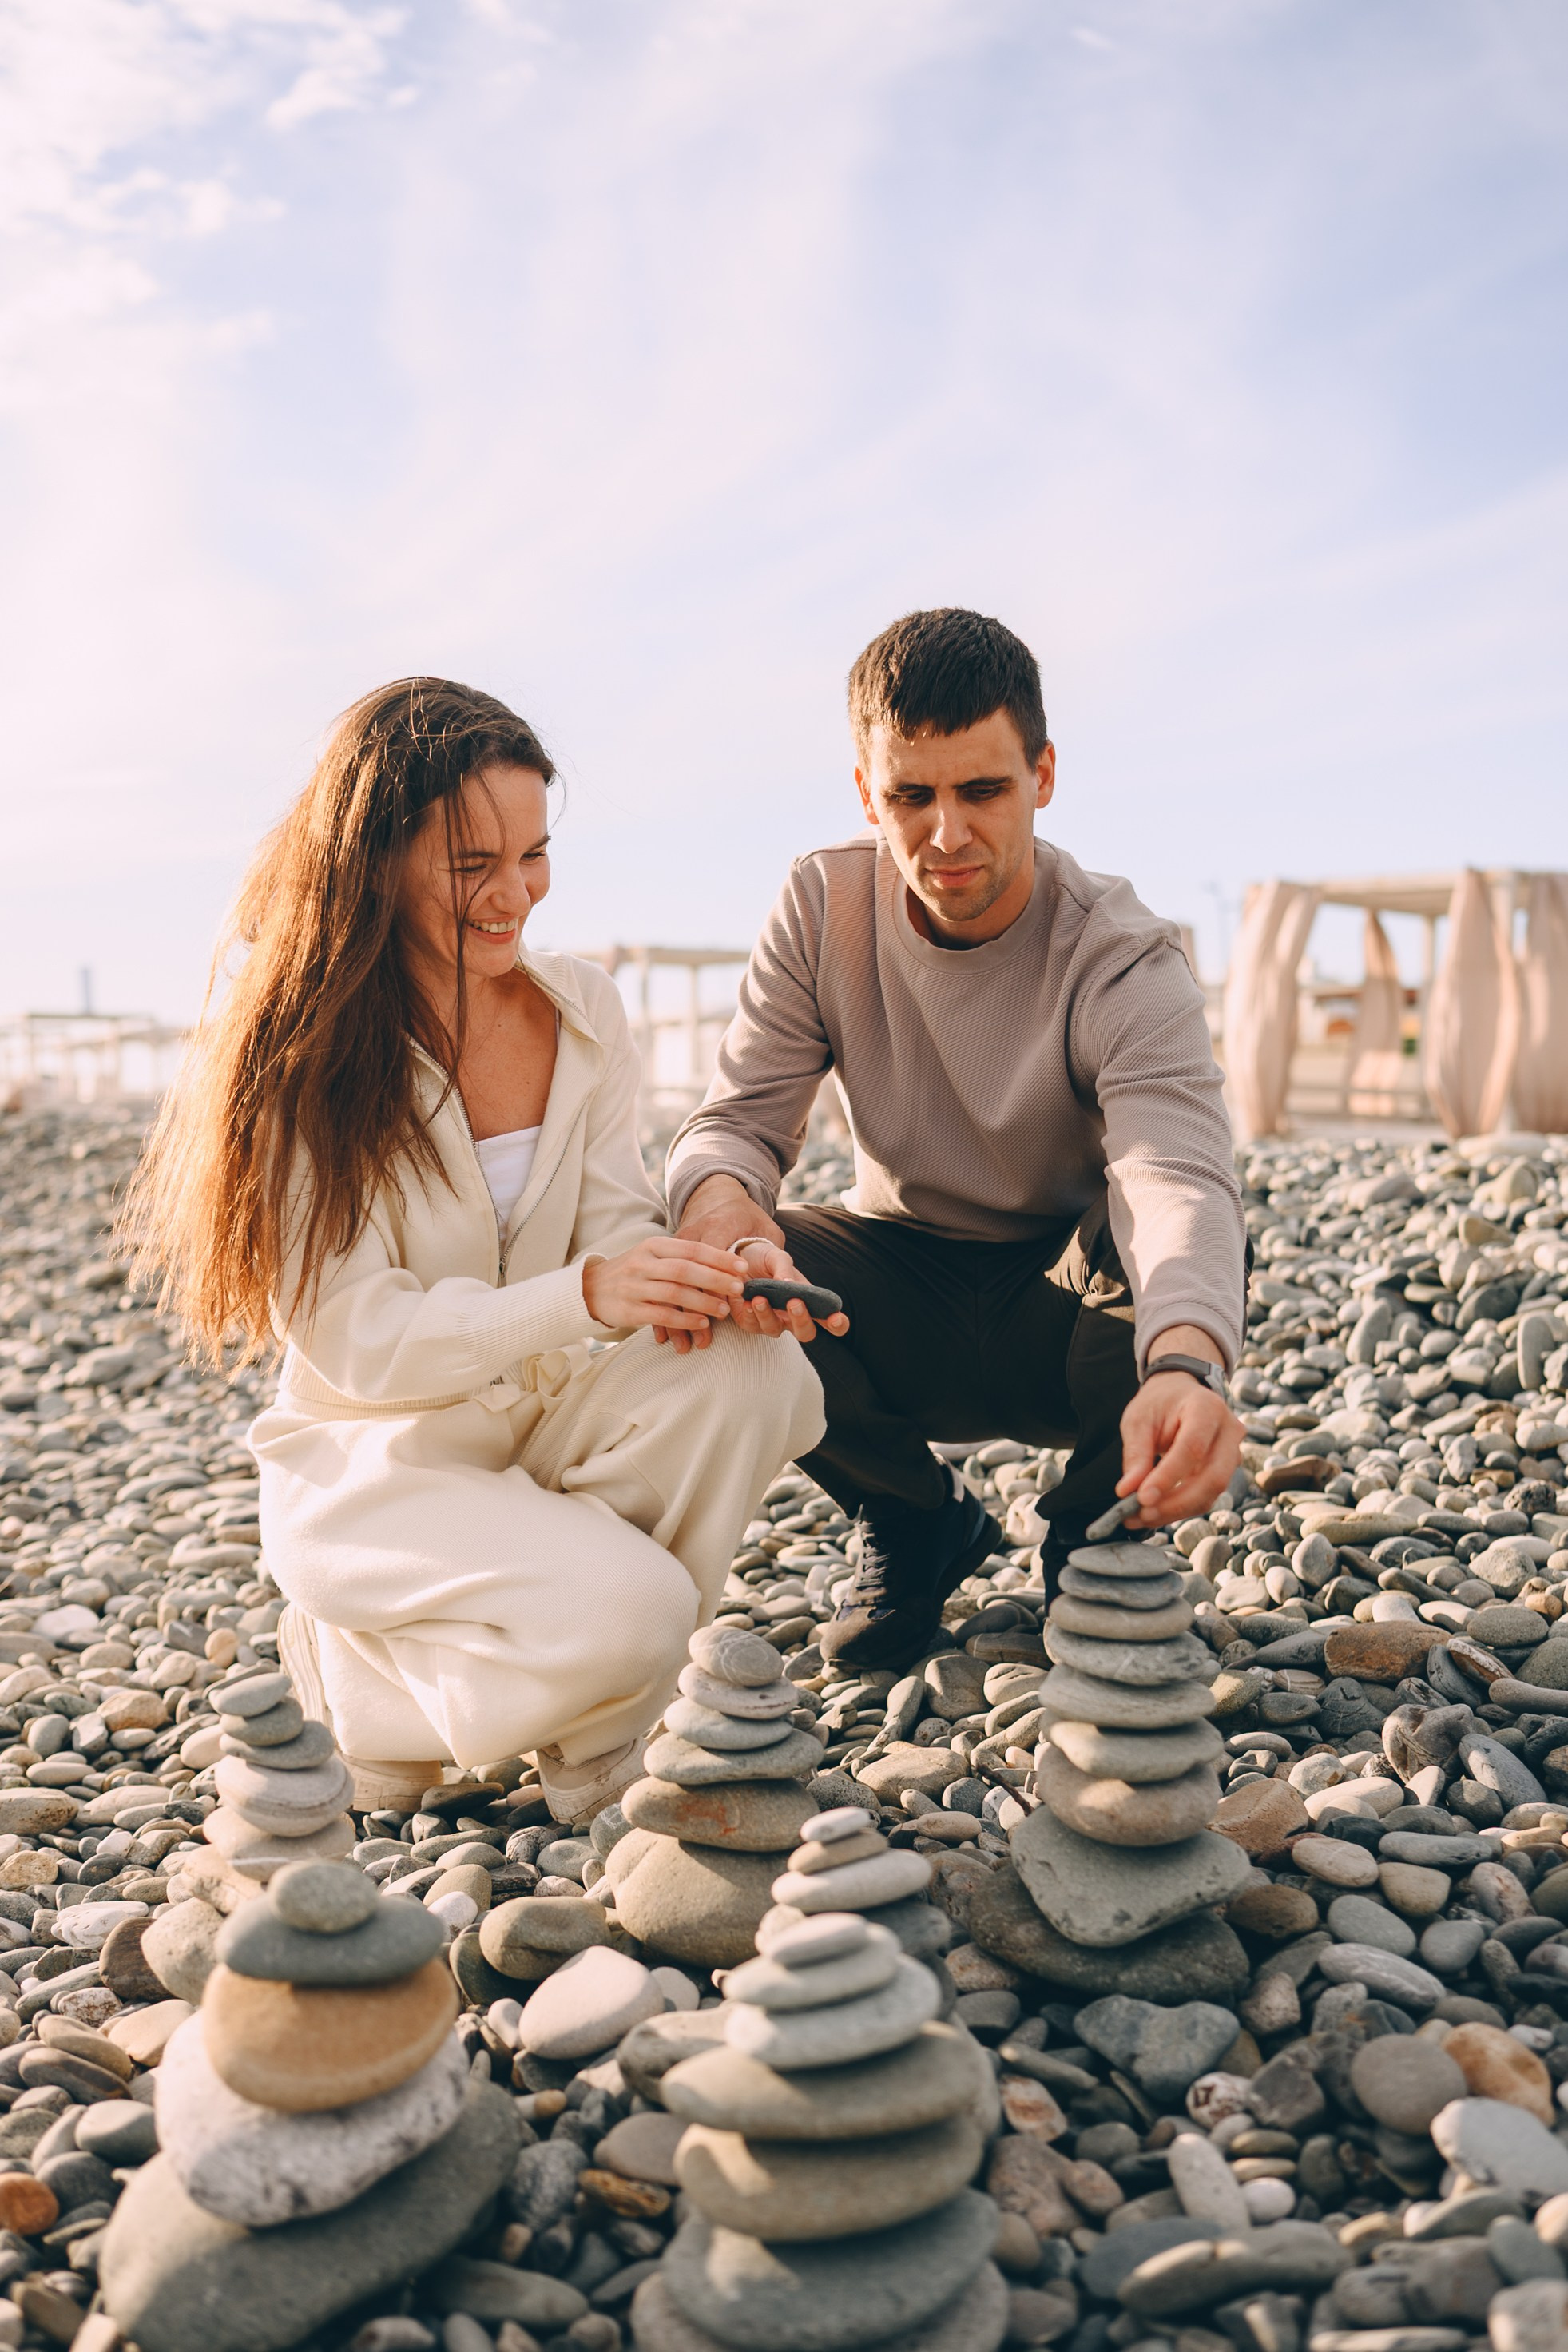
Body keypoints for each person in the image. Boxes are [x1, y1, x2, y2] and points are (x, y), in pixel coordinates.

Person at [125, 677, 823, 1818]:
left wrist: (708, 1273)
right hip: (378, 1472)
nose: (514, 897)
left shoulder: (585, 1009)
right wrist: (588, 1294)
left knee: (757, 1370)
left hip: (538, 1435)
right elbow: (359, 1340)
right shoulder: (297, 1054)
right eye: (471, 867)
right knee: (644, 1611)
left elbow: (615, 1231)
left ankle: (590, 1725)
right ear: (379, 859)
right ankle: (365, 1675)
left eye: (535, 856)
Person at [665, 607, 1247, 1671]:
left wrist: (1189, 1367)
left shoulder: (1122, 953)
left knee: (1158, 1244)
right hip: (897, 1295)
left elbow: (1177, 1177)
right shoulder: (821, 903)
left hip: (1071, 1314)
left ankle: (1091, 1533)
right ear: (864, 792)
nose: (947, 835)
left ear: (1043, 775)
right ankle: (912, 1515)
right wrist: (725, 1218)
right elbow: (734, 1127)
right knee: (718, 1257)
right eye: (910, 796)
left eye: (983, 790)